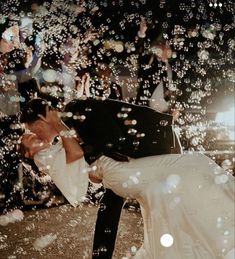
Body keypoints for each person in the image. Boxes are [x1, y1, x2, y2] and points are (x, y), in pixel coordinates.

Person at [19, 109, 235, 259]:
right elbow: (76, 152)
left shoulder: (50, 151)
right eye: (25, 140)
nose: (30, 135)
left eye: (30, 133)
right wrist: (57, 122)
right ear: (28, 154)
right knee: (189, 168)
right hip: (118, 172)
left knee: (174, 189)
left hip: (117, 172)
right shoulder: (42, 158)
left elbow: (81, 155)